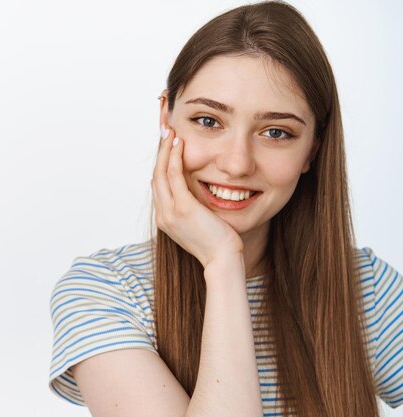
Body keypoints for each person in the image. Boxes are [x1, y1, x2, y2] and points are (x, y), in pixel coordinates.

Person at [48, 1, 402, 416]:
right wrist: (222, 262)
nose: (237, 163)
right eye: (208, 121)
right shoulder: (105, 293)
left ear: (313, 150)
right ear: (166, 117)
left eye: (276, 132)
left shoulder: (367, 291)